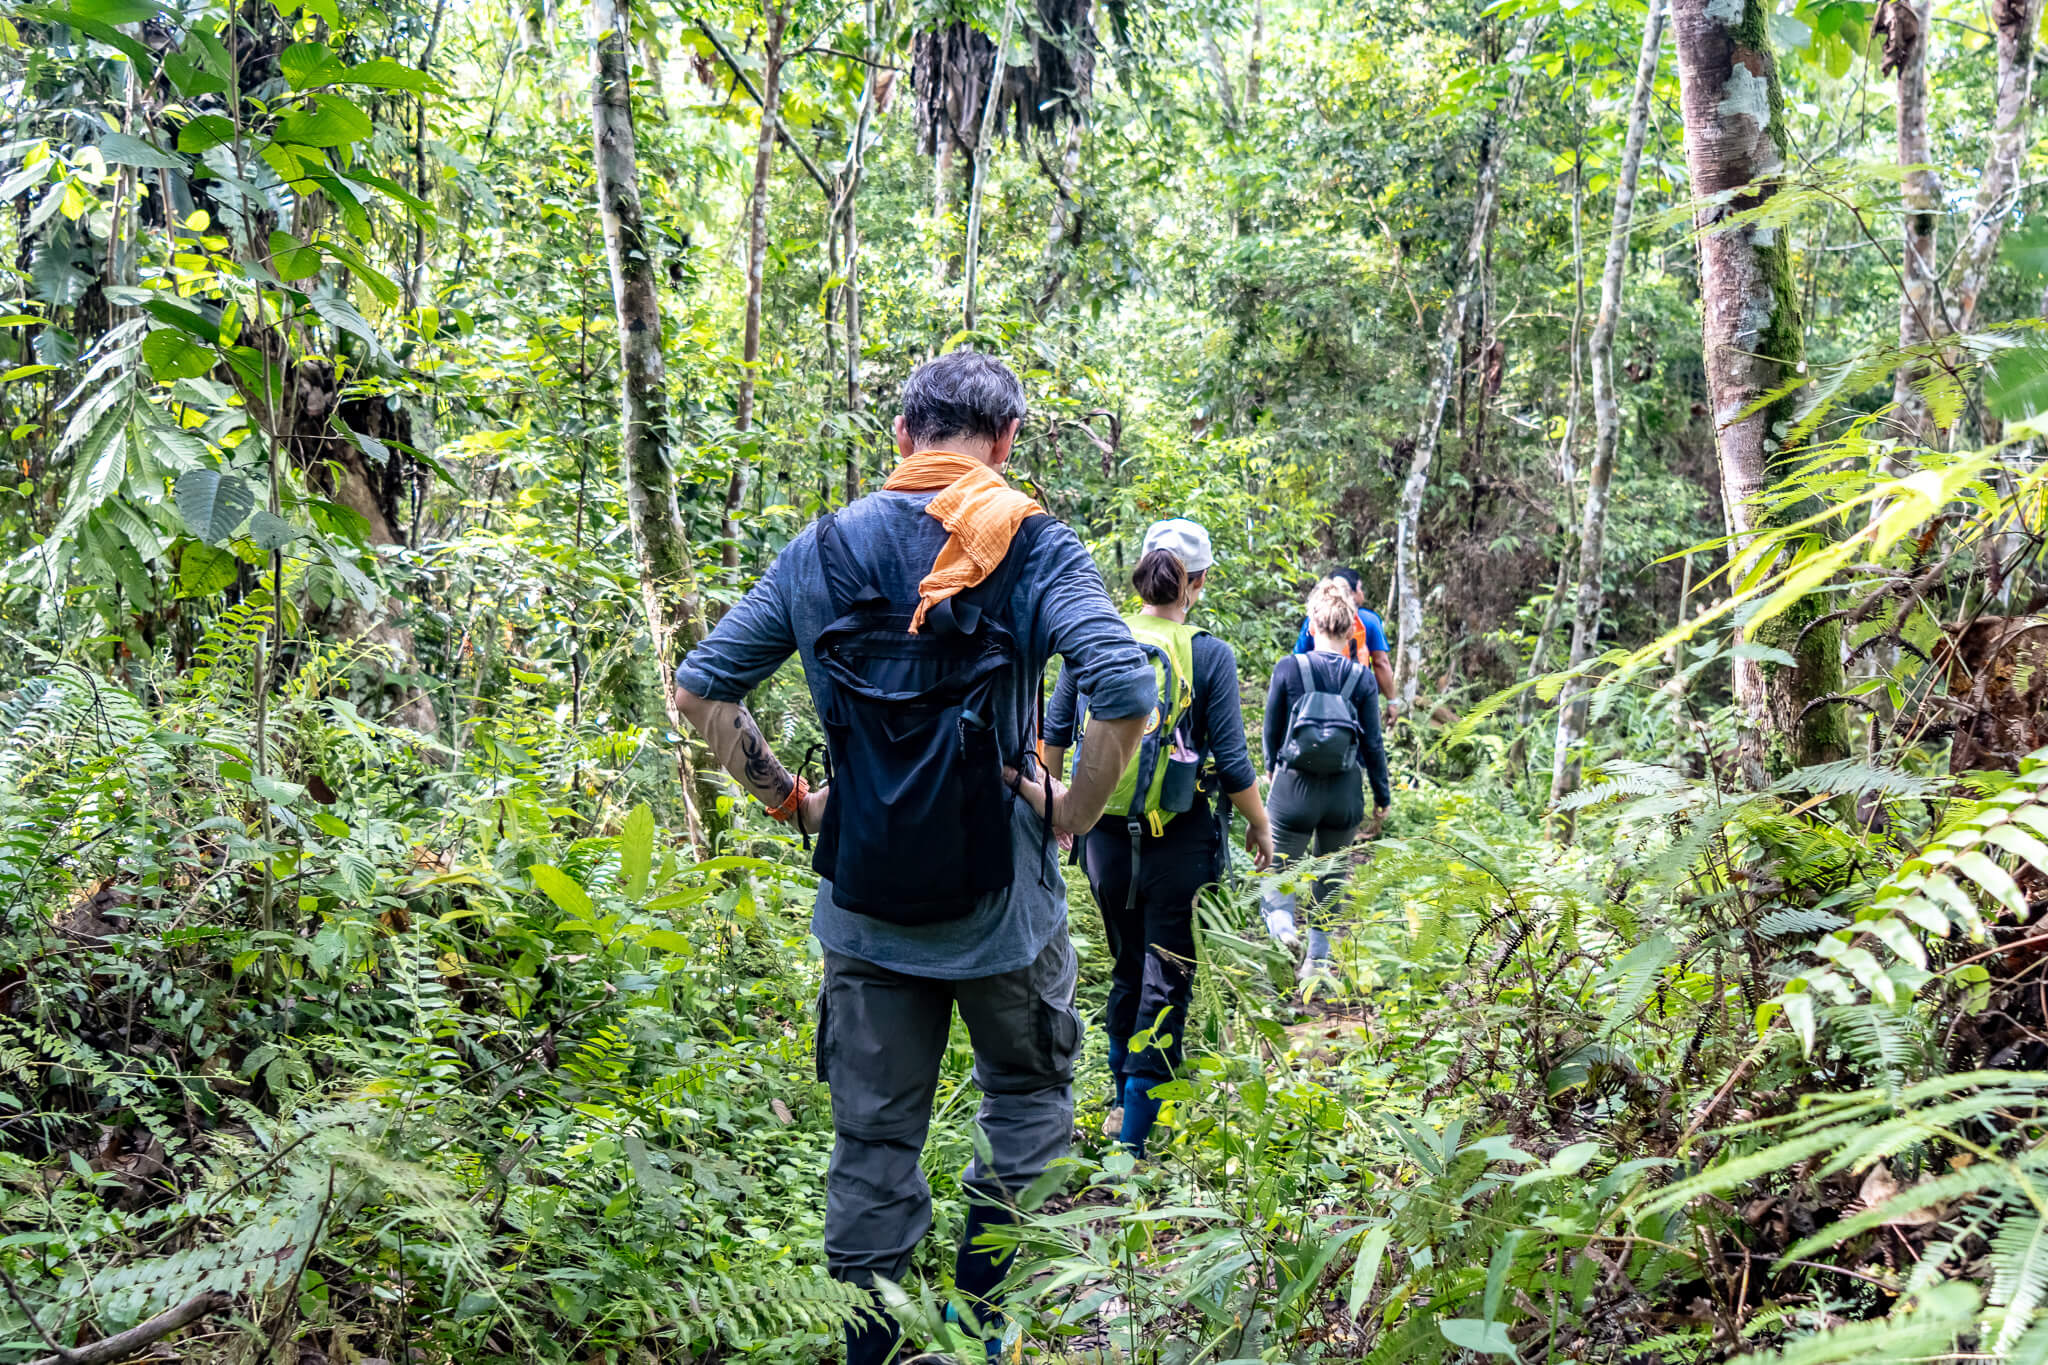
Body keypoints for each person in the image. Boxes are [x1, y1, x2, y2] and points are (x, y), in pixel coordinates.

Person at [673, 352, 1154, 1365]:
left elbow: (703, 691)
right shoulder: (1029, 542)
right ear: (1006, 441)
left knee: (872, 1146)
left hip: (863, 903)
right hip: (1005, 917)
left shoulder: (820, 551)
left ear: (901, 437)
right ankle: (979, 1331)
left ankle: (877, 1355)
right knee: (1025, 1102)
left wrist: (793, 804)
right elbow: (1122, 687)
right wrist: (1069, 805)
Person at [1041, 518, 1274, 1157]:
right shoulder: (1208, 653)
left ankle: (1121, 1104)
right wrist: (1259, 823)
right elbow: (1230, 761)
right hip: (1181, 840)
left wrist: (1059, 809)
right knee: (1167, 976)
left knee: (1125, 965)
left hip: (1105, 837)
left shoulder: (1099, 638)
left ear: (1142, 572)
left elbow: (1055, 728)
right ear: (1195, 583)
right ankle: (1135, 1144)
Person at [1263, 577, 1393, 975]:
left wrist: (1272, 770)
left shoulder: (1289, 668)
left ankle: (1283, 926)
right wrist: (1382, 794)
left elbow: (1272, 731)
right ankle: (1317, 965)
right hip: (1344, 792)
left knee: (1279, 870)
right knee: (1330, 874)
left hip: (1293, 790)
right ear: (1353, 625)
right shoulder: (1363, 678)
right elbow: (1372, 745)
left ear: (1311, 622)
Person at [1292, 566, 1395, 701]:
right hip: (1355, 694)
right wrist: (1392, 700)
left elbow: (1299, 657)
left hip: (1316, 695)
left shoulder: (1315, 619)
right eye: (1359, 589)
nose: (1362, 593)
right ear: (1350, 592)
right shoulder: (1369, 620)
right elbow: (1381, 662)